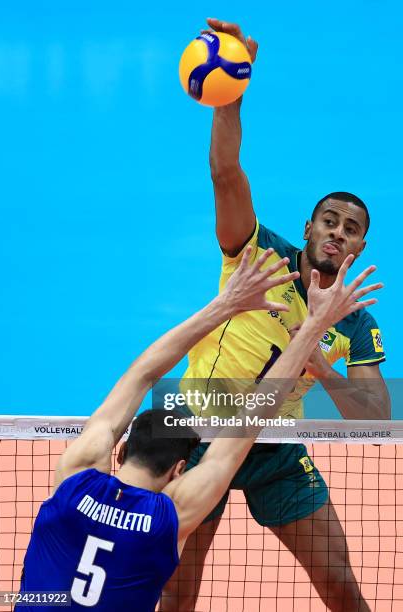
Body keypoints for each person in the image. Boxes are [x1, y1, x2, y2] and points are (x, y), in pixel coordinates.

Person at [160, 18, 390, 612]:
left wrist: (319, 360)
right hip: (195, 429)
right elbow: (225, 173)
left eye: (352, 229)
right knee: (176, 589)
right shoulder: (258, 253)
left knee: (341, 584)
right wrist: (231, 93)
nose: (338, 233)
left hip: (274, 443)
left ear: (360, 247)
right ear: (309, 226)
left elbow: (377, 419)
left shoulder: (353, 321)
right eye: (329, 221)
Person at [17, 249, 379, 612]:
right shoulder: (169, 519)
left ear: (123, 451)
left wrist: (225, 305)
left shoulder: (74, 479)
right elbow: (248, 422)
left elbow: (140, 374)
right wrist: (314, 327)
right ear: (179, 471)